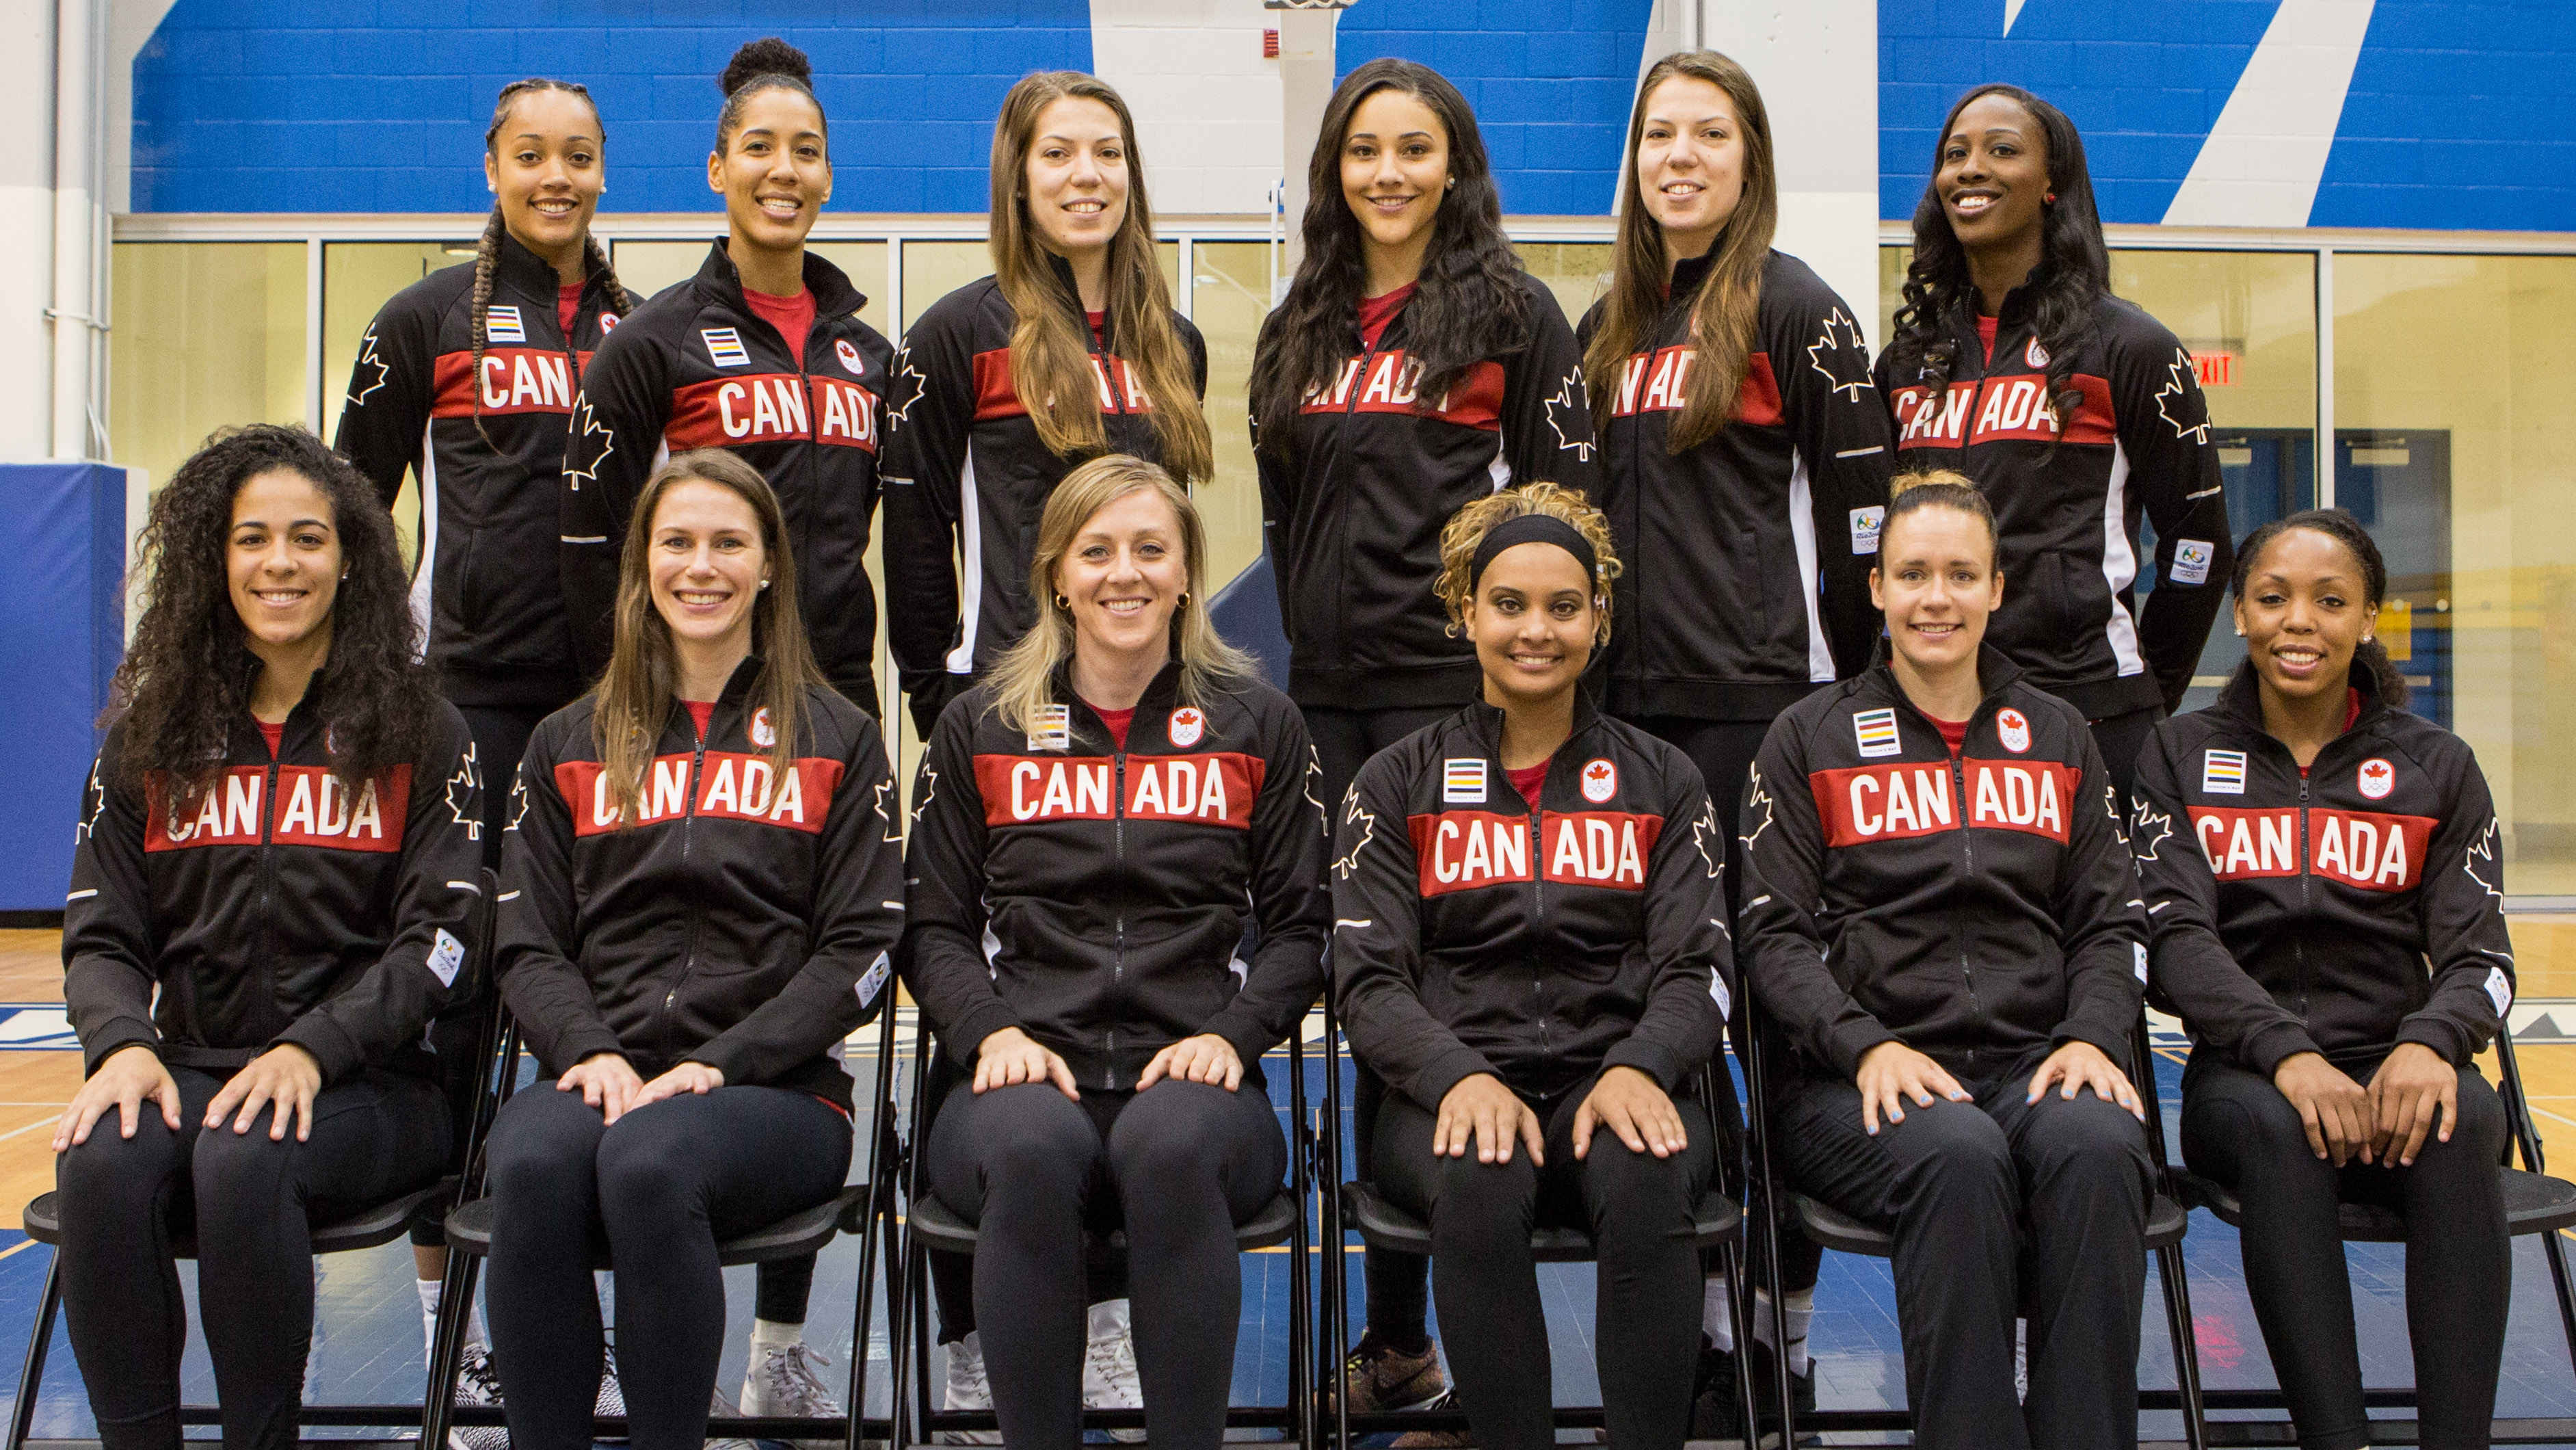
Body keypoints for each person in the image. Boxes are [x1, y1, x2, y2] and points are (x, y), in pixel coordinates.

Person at [1247, 59, 1598, 1406]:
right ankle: (1397, 1346)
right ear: (1333, 172)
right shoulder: (1300, 323)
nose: (1387, 172)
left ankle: (1447, 1335)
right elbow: (1283, 516)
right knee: (1367, 988)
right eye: (1363, 150)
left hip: (1462, 702)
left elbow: (1564, 522)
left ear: (1454, 166)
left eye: (1413, 148)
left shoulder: (1514, 315)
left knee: (1461, 980)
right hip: (1330, 704)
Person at [53, 424, 481, 1450]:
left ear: (351, 559)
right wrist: (121, 1044)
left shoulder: (421, 731)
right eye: (252, 539)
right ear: (215, 558)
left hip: (373, 1085)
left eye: (307, 538)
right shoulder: (153, 734)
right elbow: (101, 929)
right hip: (194, 1063)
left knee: (248, 1155)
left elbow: (444, 938)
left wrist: (313, 1048)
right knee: (101, 1159)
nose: (278, 563)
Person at [1574, 51, 1894, 1419]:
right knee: (1675, 1020)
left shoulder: (1801, 313)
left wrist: (1841, 706)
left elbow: (1863, 529)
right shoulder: (1607, 328)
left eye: (1708, 134)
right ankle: (1707, 1323)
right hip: (1629, 730)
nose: (1680, 157)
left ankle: (1785, 1335)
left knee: (1773, 1025)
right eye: (1659, 134)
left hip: (1762, 719)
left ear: (1748, 158)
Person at [902, 454, 1329, 1450]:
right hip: (1020, 1070)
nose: (1123, 573)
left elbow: (1304, 929)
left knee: (1168, 1146)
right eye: (1095, 551)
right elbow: (931, 927)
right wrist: (989, 1032)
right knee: (1028, 1150)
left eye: (1149, 549)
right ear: (1056, 574)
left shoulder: (1259, 724)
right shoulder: (981, 727)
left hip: (1196, 1078)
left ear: (1185, 572)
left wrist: (1233, 1036)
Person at [485, 448, 904, 1450]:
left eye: (728, 543)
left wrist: (720, 1062)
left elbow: (863, 945)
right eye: (676, 542)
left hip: (776, 1095)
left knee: (649, 1161)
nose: (700, 566)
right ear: (643, 563)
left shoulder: (838, 736)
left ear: (768, 566)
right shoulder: (567, 741)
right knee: (529, 1161)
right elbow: (526, 941)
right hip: (599, 1075)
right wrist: (587, 1049)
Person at [331, 77, 638, 1426]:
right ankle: (447, 1324)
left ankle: (583, 1319)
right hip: (465, 714)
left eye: (577, 155)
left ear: (604, 170)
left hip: (613, 721)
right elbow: (348, 513)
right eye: (532, 154)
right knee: (455, 1013)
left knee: (600, 1004)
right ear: (494, 167)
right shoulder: (419, 322)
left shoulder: (642, 329)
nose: (555, 176)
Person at [1736, 473, 2154, 1450]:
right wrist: (1864, 1046)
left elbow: (2109, 922)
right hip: (1854, 1083)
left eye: (1961, 575)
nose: (1936, 597)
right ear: (1875, 587)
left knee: (2098, 1148)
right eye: (1913, 574)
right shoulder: (1806, 737)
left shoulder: (2056, 734)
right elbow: (1770, 935)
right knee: (1958, 1157)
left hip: (2031, 1064)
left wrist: (2092, 1036)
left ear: (1996, 589)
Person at [1331, 483, 1730, 1450]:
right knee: (1478, 1168)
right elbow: (1366, 980)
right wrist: (1456, 1076)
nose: (1535, 631)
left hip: (1618, 1079)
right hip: (1446, 1094)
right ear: (1464, 611)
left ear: (1599, 617)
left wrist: (1641, 1064)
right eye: (1508, 604)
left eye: (1563, 606)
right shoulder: (1396, 781)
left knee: (1647, 1165)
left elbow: (1700, 967)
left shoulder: (1663, 779)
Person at [2137, 510, 2513, 1450]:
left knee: (2463, 1117)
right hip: (2246, 1082)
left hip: (2395, 1068)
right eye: (2272, 598)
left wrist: (2430, 1044)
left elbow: (2482, 957)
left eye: (2329, 600)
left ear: (2367, 618)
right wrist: (2285, 1054)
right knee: (2281, 1128)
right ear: (2240, 613)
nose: (2297, 621)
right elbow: (2173, 942)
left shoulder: (2436, 766)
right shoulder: (2177, 755)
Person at [1874, 83, 2233, 796]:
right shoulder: (1906, 362)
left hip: (2090, 713)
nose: (1970, 169)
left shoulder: (2129, 347)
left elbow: (2199, 544)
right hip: (1930, 716)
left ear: (2051, 185)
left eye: (2001, 150)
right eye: (1954, 154)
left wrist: (2141, 690)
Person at [563, 38, 894, 713]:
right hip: (691, 692)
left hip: (840, 692)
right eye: (759, 147)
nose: (784, 170)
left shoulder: (870, 358)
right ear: (718, 170)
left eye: (806, 151)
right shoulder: (650, 343)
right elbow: (591, 546)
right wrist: (628, 693)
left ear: (828, 178)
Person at [884, 69, 1211, 741]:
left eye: (1108, 153)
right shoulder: (957, 335)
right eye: (1058, 153)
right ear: (1019, 178)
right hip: (1006, 692)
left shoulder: (1175, 344)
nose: (1087, 174)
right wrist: (938, 706)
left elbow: (1172, 532)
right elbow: (915, 540)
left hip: (1150, 693)